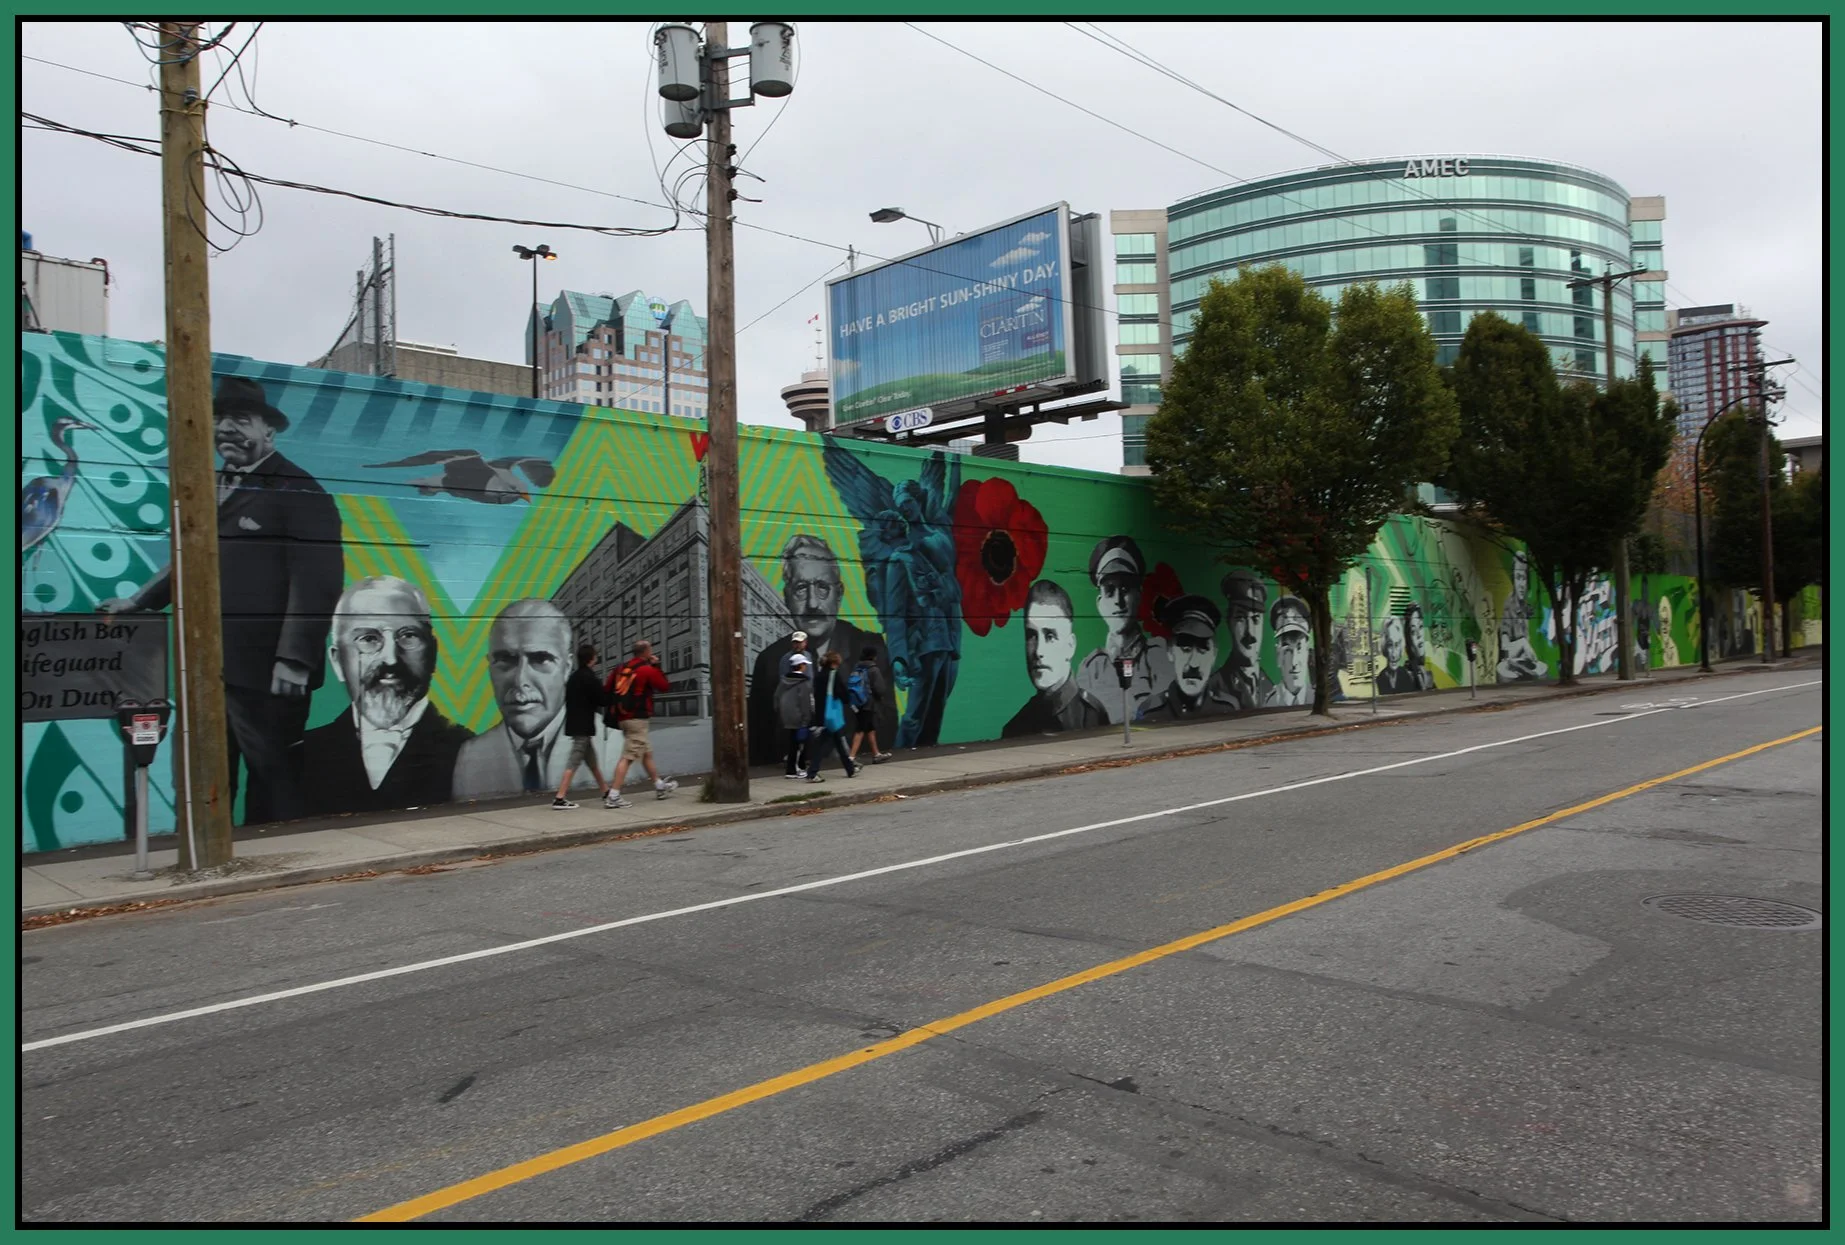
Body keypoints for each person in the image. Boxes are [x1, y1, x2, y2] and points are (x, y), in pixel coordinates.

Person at [100, 376, 344, 824]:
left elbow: (319, 579)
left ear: (269, 432)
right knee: (207, 776)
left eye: (241, 419)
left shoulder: (299, 489)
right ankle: (214, 855)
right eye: (220, 419)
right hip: (210, 667)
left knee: (273, 772)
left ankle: (279, 854)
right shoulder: (212, 485)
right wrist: (140, 600)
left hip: (267, 673)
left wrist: (295, 658)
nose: (227, 428)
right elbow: (191, 554)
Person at [298, 576, 471, 814]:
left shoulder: (469, 752)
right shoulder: (293, 761)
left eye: (408, 636)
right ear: (337, 661)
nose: (390, 659)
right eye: (368, 639)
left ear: (433, 653)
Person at [747, 535, 896, 765]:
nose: (812, 603)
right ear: (787, 597)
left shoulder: (868, 647)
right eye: (800, 588)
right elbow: (758, 740)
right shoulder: (769, 660)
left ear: (839, 594)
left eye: (823, 588)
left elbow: (887, 721)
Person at [453, 599, 578, 799]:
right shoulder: (470, 756)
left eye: (540, 659)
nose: (520, 680)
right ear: (490, 668)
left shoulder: (611, 746)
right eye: (505, 660)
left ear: (567, 667)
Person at [1074, 535, 1174, 723]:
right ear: (1099, 603)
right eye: (1109, 591)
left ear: (1139, 596)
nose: (1118, 601)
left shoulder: (1159, 657)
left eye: (1126, 589)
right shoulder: (1091, 668)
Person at [1002, 581, 1110, 738]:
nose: (1038, 651)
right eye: (1031, 635)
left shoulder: (1092, 715)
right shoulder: (1016, 728)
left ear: (1070, 646)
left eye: (1050, 636)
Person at [600, 639, 677, 808]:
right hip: (638, 719)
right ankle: (614, 795)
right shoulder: (646, 670)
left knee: (646, 752)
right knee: (627, 757)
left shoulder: (620, 668)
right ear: (646, 652)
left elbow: (607, 689)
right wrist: (656, 666)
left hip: (622, 718)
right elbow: (663, 686)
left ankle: (659, 786)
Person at [549, 643, 614, 810]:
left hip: (575, 724)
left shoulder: (573, 677)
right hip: (583, 727)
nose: (597, 658)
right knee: (574, 762)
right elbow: (602, 700)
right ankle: (560, 797)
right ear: (592, 659)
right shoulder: (590, 678)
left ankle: (606, 791)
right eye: (596, 656)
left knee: (592, 762)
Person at [1144, 595, 1226, 719]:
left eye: (1202, 650)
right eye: (1185, 649)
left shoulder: (1226, 708)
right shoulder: (1150, 712)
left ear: (1214, 655)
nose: (1193, 663)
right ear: (1170, 651)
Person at [1205, 569, 1273, 712]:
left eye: (1255, 619)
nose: (1250, 633)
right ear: (1229, 622)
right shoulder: (1214, 686)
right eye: (1240, 618)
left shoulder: (1270, 686)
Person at [803, 651, 860, 783]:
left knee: (838, 740)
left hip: (822, 713)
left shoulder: (819, 675)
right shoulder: (834, 675)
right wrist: (849, 700)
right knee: (823, 743)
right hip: (832, 714)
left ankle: (850, 769)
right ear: (834, 663)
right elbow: (842, 693)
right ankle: (812, 772)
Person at [1497, 551, 1548, 682]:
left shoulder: (1524, 606)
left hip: (1523, 669)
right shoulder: (1509, 604)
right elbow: (1505, 650)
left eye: (1524, 578)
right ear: (1513, 579)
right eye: (1518, 577)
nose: (1521, 584)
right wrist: (1523, 644)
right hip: (1511, 671)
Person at [846, 645, 893, 765]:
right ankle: (851, 758)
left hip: (857, 702)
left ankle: (876, 754)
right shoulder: (873, 669)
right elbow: (880, 688)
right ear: (873, 656)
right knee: (860, 729)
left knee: (870, 728)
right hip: (868, 703)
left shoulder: (856, 667)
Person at [1263, 596, 1313, 707]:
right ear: (1278, 654)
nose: (1294, 662)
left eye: (1299, 648)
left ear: (1307, 653)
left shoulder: (1317, 698)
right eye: (1287, 650)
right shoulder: (1269, 703)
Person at [775, 646, 817, 779]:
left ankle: (790, 770)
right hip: (800, 717)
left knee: (792, 744)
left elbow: (776, 697)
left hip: (787, 717)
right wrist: (807, 718)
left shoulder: (784, 681)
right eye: (804, 664)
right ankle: (801, 768)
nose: (805, 667)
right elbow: (805, 702)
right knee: (801, 744)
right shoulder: (803, 683)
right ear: (801, 666)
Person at [1376, 616, 1418, 694]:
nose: (1394, 654)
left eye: (1397, 645)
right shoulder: (1379, 679)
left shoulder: (1407, 676)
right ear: (1384, 646)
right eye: (1390, 645)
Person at [1403, 602, 1437, 691]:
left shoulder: (1427, 673)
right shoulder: (1406, 676)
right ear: (1407, 637)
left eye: (1421, 627)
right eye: (1413, 631)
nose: (1419, 635)